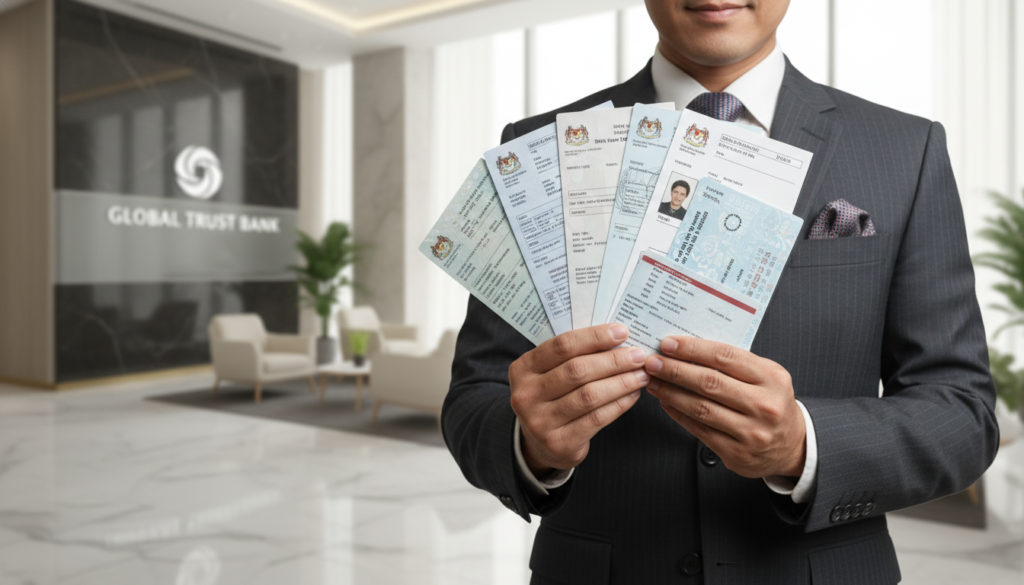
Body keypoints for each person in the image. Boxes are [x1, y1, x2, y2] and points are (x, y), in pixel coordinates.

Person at [443, 1, 999, 583]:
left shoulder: (905, 149)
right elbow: (474, 397)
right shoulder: (541, 146)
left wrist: (802, 447)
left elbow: (960, 413)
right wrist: (529, 445)